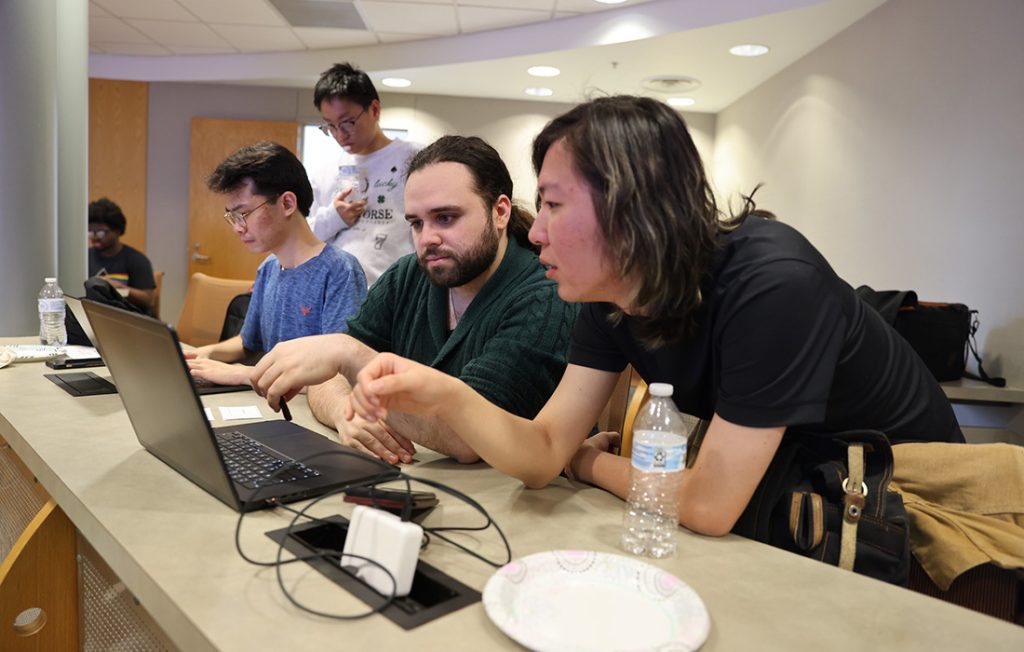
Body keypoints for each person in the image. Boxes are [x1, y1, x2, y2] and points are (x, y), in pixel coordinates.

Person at [290, 95, 965, 539]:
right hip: (799, 492)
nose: (535, 231)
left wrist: (588, 465)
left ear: (631, 207)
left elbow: (706, 505)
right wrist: (443, 394)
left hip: (905, 503)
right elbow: (542, 453)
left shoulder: (773, 283)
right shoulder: (606, 297)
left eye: (553, 205)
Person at [250, 135, 578, 465]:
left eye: (446, 218)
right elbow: (328, 375)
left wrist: (350, 356)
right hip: (415, 475)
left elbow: (469, 440)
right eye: (417, 223)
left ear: (500, 212)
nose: (427, 239)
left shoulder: (544, 297)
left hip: (511, 490)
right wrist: (346, 413)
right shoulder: (409, 274)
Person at [187, 141, 367, 385]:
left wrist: (245, 374)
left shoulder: (340, 270)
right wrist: (203, 354)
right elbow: (248, 342)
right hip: (271, 396)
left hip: (311, 403)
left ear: (287, 204)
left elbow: (338, 375)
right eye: (232, 217)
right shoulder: (269, 268)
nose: (238, 228)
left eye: (243, 214)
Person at [307, 62, 423, 285]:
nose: (340, 135)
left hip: (396, 290)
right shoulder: (326, 172)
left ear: (375, 110)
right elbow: (305, 239)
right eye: (330, 126)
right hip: (337, 291)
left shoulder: (414, 158)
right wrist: (334, 218)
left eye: (347, 122)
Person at [88, 198, 157, 313]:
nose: (95, 237)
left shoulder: (136, 260)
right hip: (93, 314)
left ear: (117, 231)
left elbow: (148, 300)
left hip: (126, 317)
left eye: (101, 232)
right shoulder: (85, 258)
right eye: (90, 232)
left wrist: (119, 288)